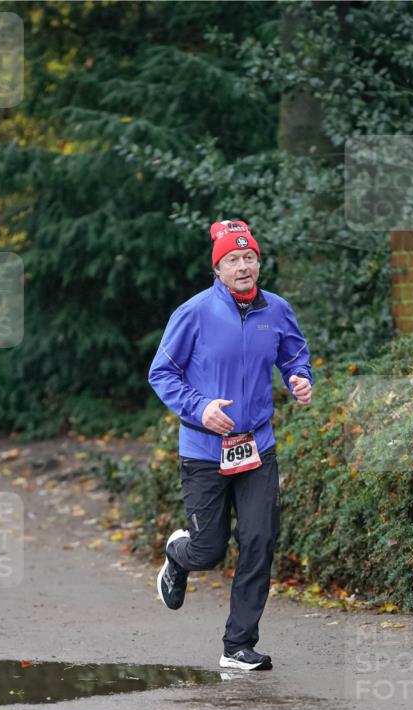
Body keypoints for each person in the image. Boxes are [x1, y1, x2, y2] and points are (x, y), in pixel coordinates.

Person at [148, 219, 312, 671]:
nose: (243, 266)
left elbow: (294, 353)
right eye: (233, 260)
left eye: (249, 258)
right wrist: (199, 408)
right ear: (217, 268)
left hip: (258, 446)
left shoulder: (275, 310)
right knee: (209, 551)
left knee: (260, 540)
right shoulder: (194, 313)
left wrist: (300, 378)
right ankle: (178, 557)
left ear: (259, 262)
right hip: (204, 450)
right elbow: (161, 373)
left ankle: (237, 645)